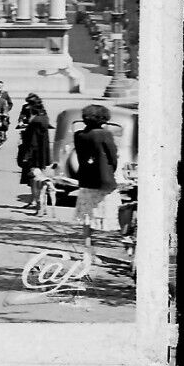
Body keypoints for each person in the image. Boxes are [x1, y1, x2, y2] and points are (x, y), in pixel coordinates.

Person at [73, 103, 122, 254]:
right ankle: (128, 250)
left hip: (86, 180)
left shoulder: (79, 135)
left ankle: (88, 250)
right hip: (104, 180)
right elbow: (113, 158)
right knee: (115, 215)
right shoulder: (105, 135)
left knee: (87, 217)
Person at [16, 94, 52, 190]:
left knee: (34, 177)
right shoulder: (43, 117)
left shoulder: (35, 122)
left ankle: (36, 199)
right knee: (37, 175)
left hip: (34, 154)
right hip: (42, 152)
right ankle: (36, 199)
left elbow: (33, 142)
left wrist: (27, 155)